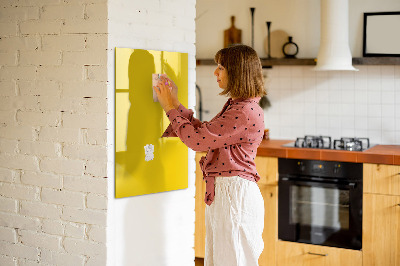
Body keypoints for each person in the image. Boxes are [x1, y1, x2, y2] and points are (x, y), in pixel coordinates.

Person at [154, 44, 266, 266]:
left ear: (237, 72)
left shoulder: (243, 111)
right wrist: (175, 103)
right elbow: (205, 134)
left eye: (221, 67)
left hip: (234, 195)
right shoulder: (239, 106)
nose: (215, 72)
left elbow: (197, 141)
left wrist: (169, 107)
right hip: (228, 193)